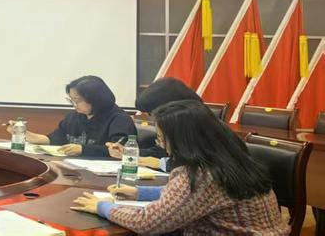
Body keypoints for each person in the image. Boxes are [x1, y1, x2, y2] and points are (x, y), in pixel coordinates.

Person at [72, 100, 288, 235]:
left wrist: (102, 207)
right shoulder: (230, 159)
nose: (160, 144)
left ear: (183, 140)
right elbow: (194, 195)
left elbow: (148, 223)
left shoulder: (202, 174)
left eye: (161, 138)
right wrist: (140, 193)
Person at [6, 75, 135, 158]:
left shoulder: (119, 120)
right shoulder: (75, 117)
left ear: (95, 99)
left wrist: (83, 150)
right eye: (71, 100)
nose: (74, 105)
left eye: (77, 100)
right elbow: (54, 139)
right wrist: (24, 133)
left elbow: (120, 151)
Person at [106, 77, 202, 168]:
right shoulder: (174, 122)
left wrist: (163, 164)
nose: (153, 119)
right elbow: (160, 152)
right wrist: (129, 152)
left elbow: (200, 165)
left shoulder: (197, 124)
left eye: (152, 113)